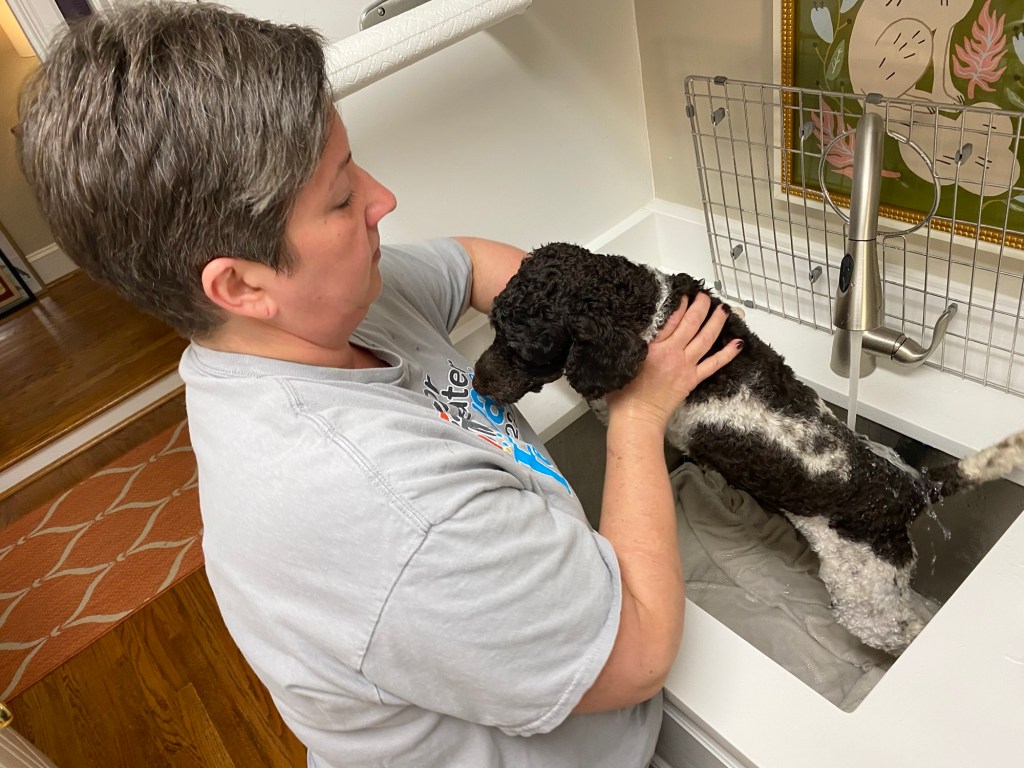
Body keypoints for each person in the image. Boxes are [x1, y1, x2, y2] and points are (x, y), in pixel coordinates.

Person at [16, 3, 741, 766]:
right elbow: (636, 652)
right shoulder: (381, 508)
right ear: (240, 284)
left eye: (351, 163)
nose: (381, 198)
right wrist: (638, 408)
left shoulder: (331, 314)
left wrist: (592, 307)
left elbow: (467, 262)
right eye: (339, 197)